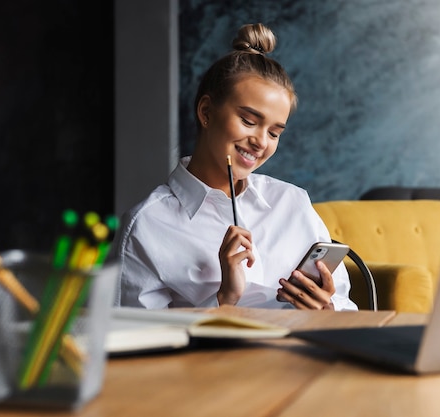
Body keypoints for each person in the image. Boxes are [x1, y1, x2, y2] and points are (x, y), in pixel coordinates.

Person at [111, 23, 357, 311]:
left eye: (274, 133)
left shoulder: (293, 202)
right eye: (249, 121)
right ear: (206, 112)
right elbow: (135, 341)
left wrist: (326, 308)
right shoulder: (146, 225)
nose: (260, 142)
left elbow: (344, 306)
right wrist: (222, 300)